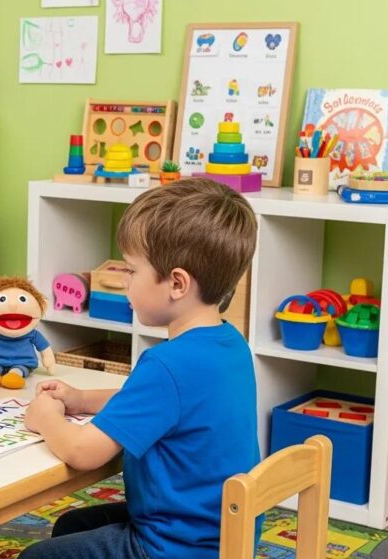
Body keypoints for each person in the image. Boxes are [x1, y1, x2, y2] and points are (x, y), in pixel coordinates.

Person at [20, 178, 260, 559]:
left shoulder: (167, 364)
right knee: (71, 526)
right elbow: (161, 404)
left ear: (177, 283)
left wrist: (46, 417)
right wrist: (80, 398)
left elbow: (83, 452)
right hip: (218, 532)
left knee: (37, 557)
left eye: (131, 270)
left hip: (173, 545)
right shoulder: (230, 344)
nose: (123, 280)